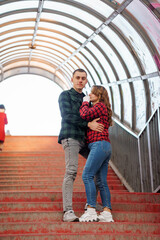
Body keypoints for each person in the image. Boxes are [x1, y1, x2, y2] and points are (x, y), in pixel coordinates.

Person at [58, 69, 104, 222]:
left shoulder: (88, 99)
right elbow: (68, 116)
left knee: (98, 166)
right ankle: (68, 211)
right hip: (71, 136)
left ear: (86, 81)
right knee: (71, 171)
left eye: (83, 78)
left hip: (86, 139)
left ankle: (90, 204)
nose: (80, 80)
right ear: (72, 79)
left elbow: (96, 115)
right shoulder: (65, 95)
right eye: (77, 78)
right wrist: (88, 123)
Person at [79, 85, 114, 222]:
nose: (90, 94)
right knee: (101, 180)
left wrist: (85, 102)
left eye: (93, 93)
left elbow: (84, 114)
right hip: (105, 146)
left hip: (99, 145)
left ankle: (91, 209)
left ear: (99, 95)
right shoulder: (101, 108)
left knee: (87, 175)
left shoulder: (99, 106)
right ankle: (107, 212)